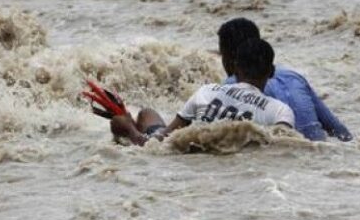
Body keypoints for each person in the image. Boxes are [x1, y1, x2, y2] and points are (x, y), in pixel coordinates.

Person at [110, 38, 295, 146]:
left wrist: (133, 133)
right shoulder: (280, 112)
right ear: (271, 72)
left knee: (146, 113)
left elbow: (162, 140)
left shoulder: (207, 92)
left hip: (191, 158)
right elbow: (283, 152)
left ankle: (129, 124)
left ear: (235, 68)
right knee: (147, 114)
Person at [218, 18, 354, 142]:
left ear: (231, 58)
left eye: (222, 55)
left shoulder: (231, 87)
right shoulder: (294, 77)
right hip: (319, 156)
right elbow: (339, 131)